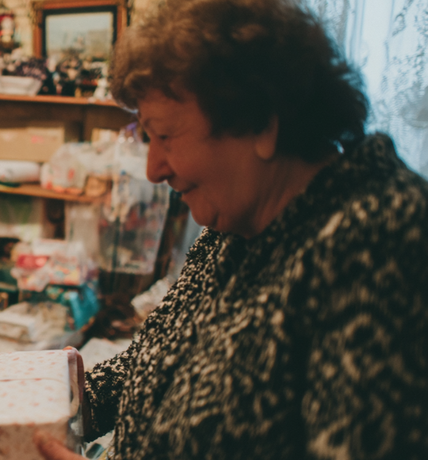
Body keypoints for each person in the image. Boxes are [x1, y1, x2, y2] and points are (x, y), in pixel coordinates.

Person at [34, 0, 428, 459]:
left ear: (261, 122)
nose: (154, 168)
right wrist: (51, 398)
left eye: (164, 136)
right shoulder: (233, 227)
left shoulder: (382, 240)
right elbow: (151, 364)